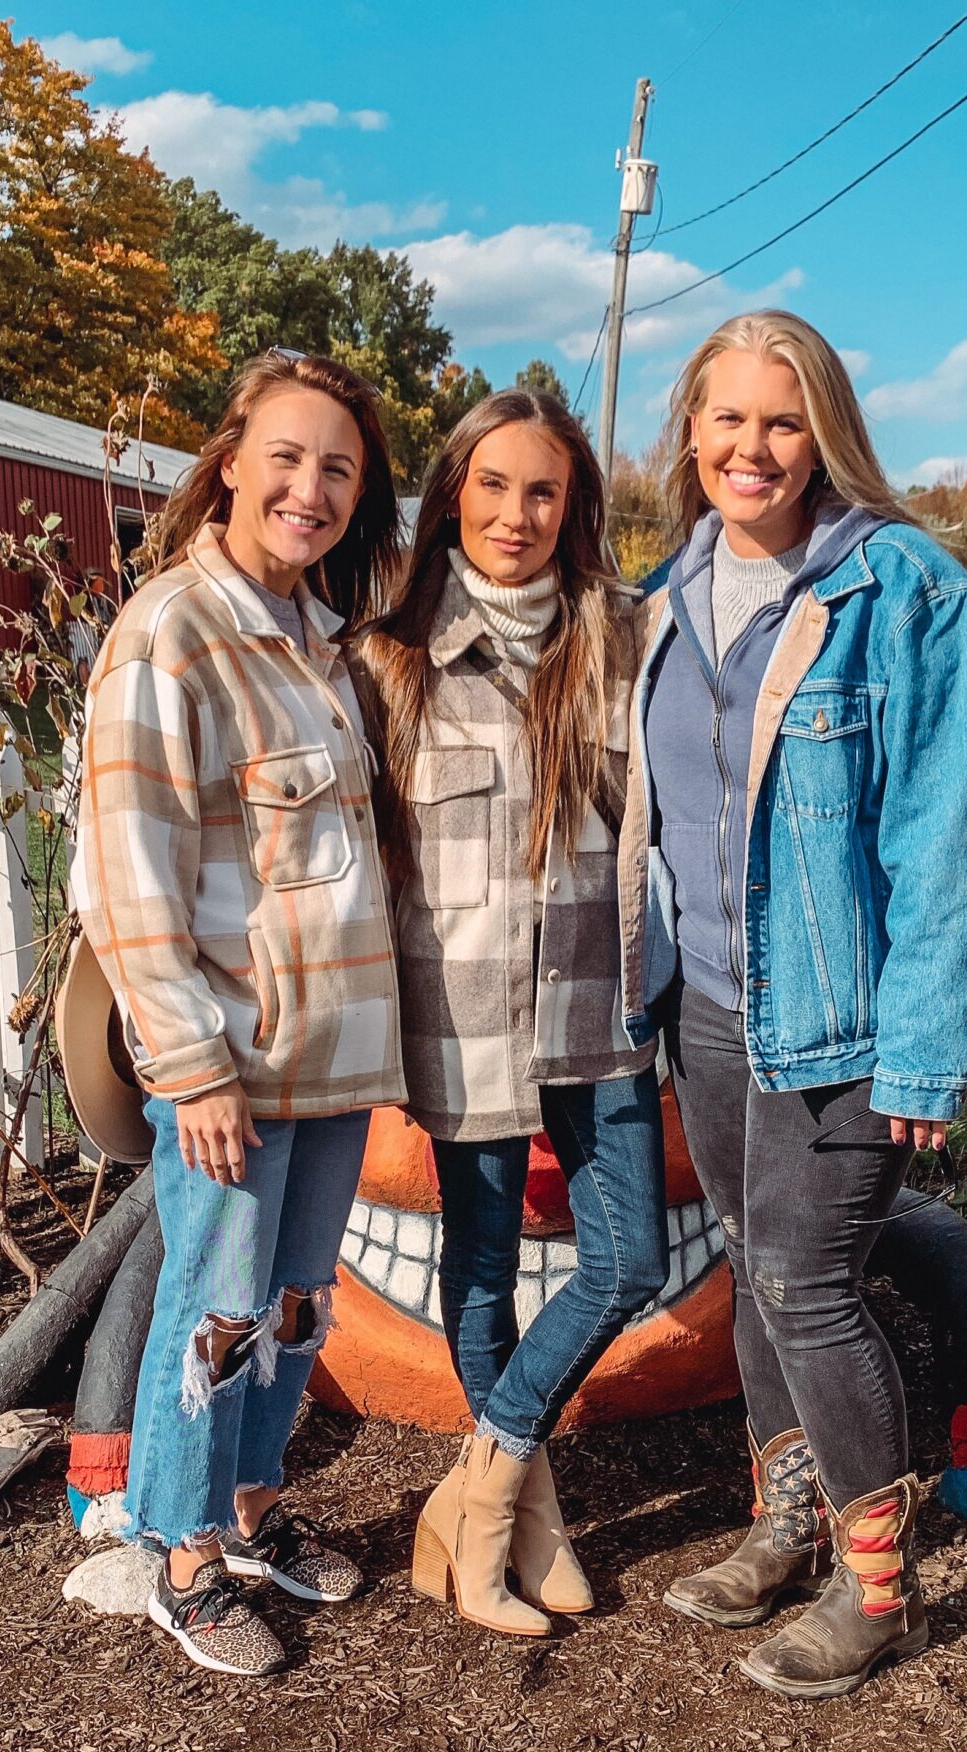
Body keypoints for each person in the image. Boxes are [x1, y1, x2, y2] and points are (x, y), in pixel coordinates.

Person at [627, 309, 967, 1698]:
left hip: (842, 1020)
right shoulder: (665, 598)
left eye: (781, 421)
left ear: (826, 429)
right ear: (690, 432)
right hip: (710, 1014)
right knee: (754, 1261)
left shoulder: (904, 591)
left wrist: (924, 1054)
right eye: (726, 419)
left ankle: (880, 1590)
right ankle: (785, 1523)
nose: (752, 447)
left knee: (807, 1281)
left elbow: (946, 837)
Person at [71, 349, 405, 1675]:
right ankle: (181, 1553)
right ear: (230, 461)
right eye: (288, 457)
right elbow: (127, 869)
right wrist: (191, 1067)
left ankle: (254, 1512)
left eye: (338, 469)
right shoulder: (172, 630)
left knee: (296, 1303)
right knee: (212, 1309)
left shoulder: (317, 637)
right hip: (233, 1060)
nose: (310, 489)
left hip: (329, 1059)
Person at [356, 388, 669, 1638]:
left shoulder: (628, 636)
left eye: (542, 491)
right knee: (480, 1268)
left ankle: (478, 1493)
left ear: (574, 506)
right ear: (452, 498)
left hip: (600, 1003)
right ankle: (525, 1525)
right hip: (467, 1010)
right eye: (492, 486)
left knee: (632, 1258)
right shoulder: (393, 656)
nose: (515, 514)